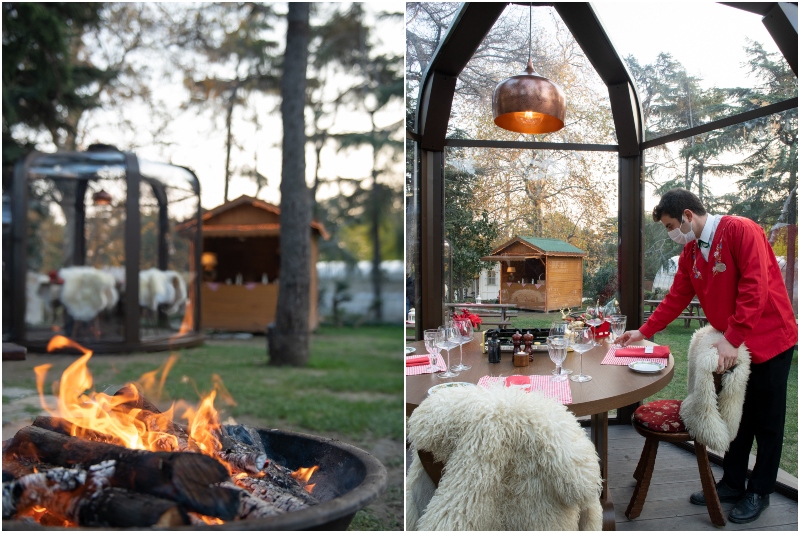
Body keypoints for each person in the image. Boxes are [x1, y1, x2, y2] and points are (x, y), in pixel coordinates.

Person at [617, 188, 797, 524]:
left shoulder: (740, 230)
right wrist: (643, 331)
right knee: (736, 414)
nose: (672, 233)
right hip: (734, 345)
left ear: (687, 215)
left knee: (767, 421)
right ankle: (733, 482)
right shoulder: (690, 252)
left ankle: (759, 491)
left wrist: (732, 338)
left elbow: (754, 287)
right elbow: (676, 297)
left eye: (671, 225)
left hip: (770, 338)